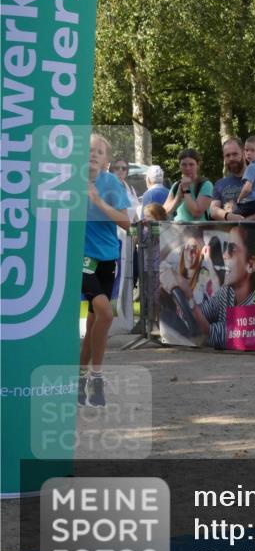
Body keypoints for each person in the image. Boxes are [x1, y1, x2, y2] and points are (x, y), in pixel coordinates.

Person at [80, 134, 131, 407]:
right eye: (89, 150)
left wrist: (100, 203)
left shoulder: (111, 183)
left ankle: (81, 377)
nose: (93, 154)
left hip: (108, 257)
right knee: (105, 313)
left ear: (106, 160)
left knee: (94, 324)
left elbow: (126, 223)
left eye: (99, 151)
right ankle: (96, 376)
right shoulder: (70, 180)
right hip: (82, 258)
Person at [209, 138, 255, 222]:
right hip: (229, 233)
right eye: (227, 155)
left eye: (235, 154)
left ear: (244, 154)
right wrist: (228, 216)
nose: (231, 158)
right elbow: (213, 210)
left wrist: (249, 220)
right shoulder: (220, 184)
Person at [164, 148, 214, 222]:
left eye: (191, 164)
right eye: (184, 164)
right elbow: (164, 212)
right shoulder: (176, 185)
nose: (187, 168)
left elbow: (196, 213)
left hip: (198, 231)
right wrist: (178, 197)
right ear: (179, 166)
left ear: (198, 165)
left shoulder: (205, 184)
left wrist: (186, 190)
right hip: (177, 230)